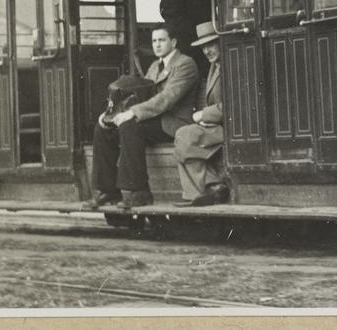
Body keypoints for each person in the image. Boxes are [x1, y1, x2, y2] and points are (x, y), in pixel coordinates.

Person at [86, 23, 198, 209]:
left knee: (130, 125)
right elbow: (140, 96)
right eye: (154, 41)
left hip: (174, 123)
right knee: (103, 129)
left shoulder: (185, 64)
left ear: (174, 42)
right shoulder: (155, 66)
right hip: (153, 119)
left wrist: (132, 113)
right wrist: (110, 114)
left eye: (162, 40)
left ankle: (138, 192)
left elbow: (166, 99)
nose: (157, 45)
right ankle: (106, 190)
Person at [173, 22, 229, 207]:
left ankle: (208, 188)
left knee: (184, 136)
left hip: (231, 128)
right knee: (183, 137)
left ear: (221, 42)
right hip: (217, 125)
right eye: (204, 47)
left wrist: (204, 115)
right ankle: (210, 187)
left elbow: (234, 105)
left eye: (211, 45)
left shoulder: (230, 66)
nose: (207, 51)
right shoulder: (215, 66)